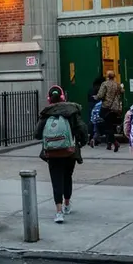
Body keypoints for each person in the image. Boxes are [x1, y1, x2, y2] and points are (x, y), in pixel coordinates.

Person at [34, 85, 89, 224]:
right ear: (63, 97)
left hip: (52, 152)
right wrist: (81, 142)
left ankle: (58, 212)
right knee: (67, 177)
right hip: (70, 151)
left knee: (56, 179)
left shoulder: (46, 114)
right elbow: (82, 128)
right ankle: (67, 204)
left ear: (49, 99)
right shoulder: (72, 111)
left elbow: (37, 134)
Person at [95, 71, 124, 152]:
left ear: (107, 76)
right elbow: (122, 91)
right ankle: (109, 144)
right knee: (110, 125)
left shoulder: (104, 84)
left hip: (106, 107)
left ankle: (114, 142)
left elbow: (100, 95)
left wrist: (96, 97)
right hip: (115, 108)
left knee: (107, 126)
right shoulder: (117, 84)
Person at [86, 75, 105, 147]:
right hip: (97, 106)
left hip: (91, 105)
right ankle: (96, 138)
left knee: (92, 122)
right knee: (98, 122)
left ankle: (92, 138)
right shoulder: (99, 89)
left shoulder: (91, 89)